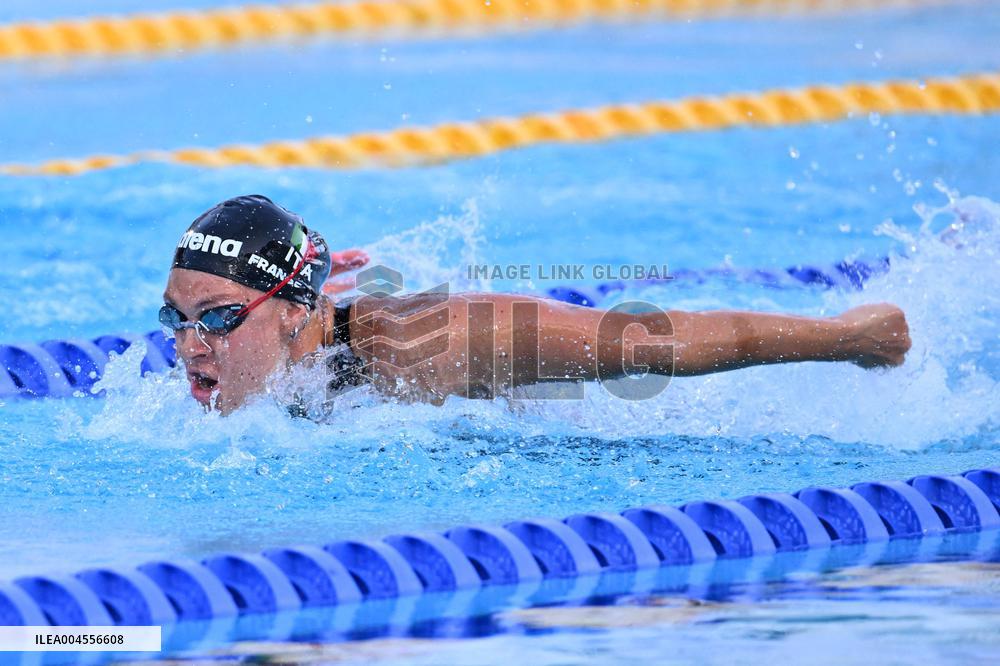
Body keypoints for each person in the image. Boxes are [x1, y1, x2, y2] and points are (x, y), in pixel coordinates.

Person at [161, 195, 912, 415]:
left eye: (220, 317)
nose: (192, 345)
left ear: (294, 309)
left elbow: (656, 343)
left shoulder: (425, 341)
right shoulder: (241, 366)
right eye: (177, 318)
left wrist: (847, 337)